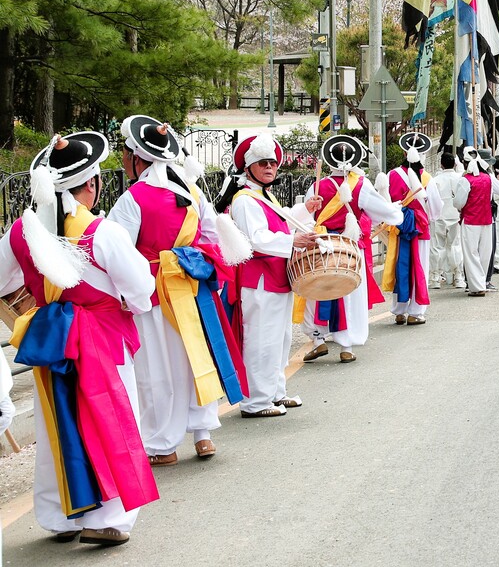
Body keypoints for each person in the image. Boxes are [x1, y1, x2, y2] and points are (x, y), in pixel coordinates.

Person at [1, 132, 159, 545]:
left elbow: (3, 281)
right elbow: (140, 291)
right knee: (113, 420)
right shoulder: (102, 232)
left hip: (50, 340)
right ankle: (110, 517)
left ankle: (60, 517)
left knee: (56, 421)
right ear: (92, 184)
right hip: (103, 339)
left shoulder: (22, 230)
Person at [109, 115, 242, 465]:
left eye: (125, 155)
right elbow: (213, 238)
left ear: (137, 157)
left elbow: (115, 250)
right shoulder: (193, 192)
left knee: (156, 369)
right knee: (194, 357)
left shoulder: (134, 197)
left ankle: (162, 444)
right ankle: (203, 434)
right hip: (191, 289)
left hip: (152, 293)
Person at [225, 133, 319, 417]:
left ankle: (275, 393)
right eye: (264, 163)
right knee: (261, 340)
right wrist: (294, 241)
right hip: (259, 281)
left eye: (274, 163)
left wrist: (306, 209)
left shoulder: (263, 195)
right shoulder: (244, 199)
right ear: (249, 166)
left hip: (276, 278)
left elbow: (281, 220)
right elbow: (256, 239)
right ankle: (256, 401)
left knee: (279, 340)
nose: (270, 167)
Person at [301, 135, 403, 363]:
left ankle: (318, 340)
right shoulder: (361, 185)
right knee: (348, 292)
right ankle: (346, 346)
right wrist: (395, 212)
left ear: (329, 160)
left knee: (317, 290)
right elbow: (381, 212)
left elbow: (305, 216)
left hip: (321, 246)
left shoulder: (316, 185)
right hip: (348, 247)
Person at [382, 132, 445, 324]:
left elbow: (384, 201)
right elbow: (435, 209)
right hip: (420, 229)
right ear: (423, 153)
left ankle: (399, 310)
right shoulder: (427, 178)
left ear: (403, 152)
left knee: (399, 266)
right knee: (420, 267)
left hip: (398, 228)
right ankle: (415, 312)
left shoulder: (391, 175)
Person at [454, 147, 495, 297]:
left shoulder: (465, 180)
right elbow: (490, 198)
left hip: (471, 219)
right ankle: (481, 281)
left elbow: (458, 202)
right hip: (486, 218)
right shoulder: (488, 178)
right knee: (484, 253)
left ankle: (477, 286)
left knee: (471, 254)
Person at [429, 151, 466, 290]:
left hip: (439, 216)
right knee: (455, 246)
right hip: (455, 215)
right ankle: (458, 276)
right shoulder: (460, 178)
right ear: (455, 164)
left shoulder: (435, 180)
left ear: (441, 164)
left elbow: (431, 200)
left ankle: (435, 278)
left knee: (437, 247)